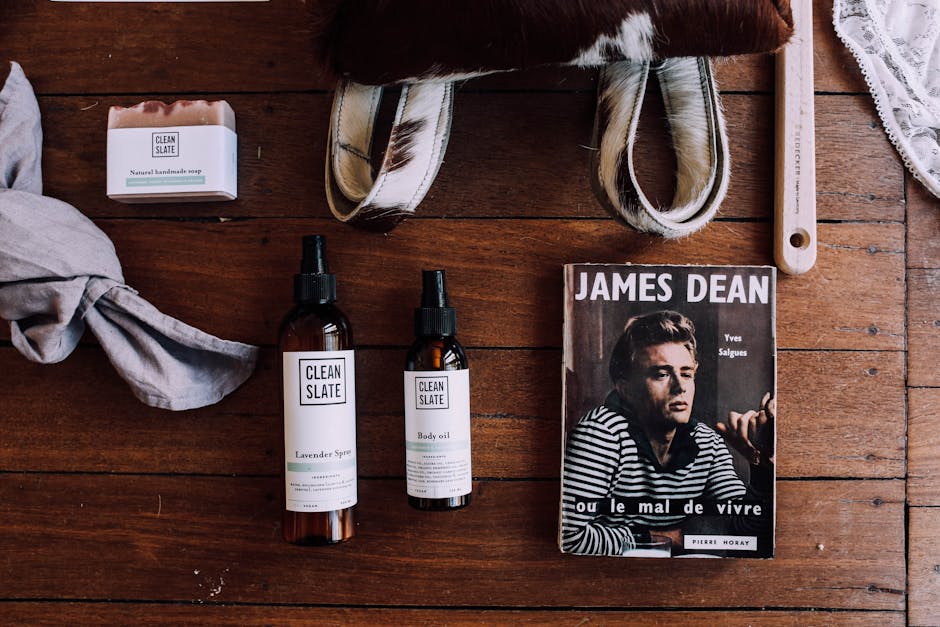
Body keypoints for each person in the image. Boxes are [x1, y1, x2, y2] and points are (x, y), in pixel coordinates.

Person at [560, 310, 774, 556]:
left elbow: (744, 529)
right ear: (625, 387)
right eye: (661, 374)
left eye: (686, 373)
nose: (680, 386)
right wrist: (668, 539)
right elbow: (568, 536)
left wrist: (761, 469)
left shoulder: (707, 441)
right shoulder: (600, 434)